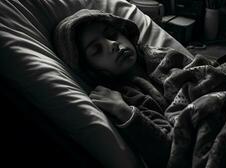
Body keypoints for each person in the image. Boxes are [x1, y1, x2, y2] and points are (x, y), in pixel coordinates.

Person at [53, 9, 172, 168]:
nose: (113, 44)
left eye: (111, 34)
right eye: (97, 49)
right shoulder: (128, 96)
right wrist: (123, 111)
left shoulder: (165, 56)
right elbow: (169, 152)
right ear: (91, 70)